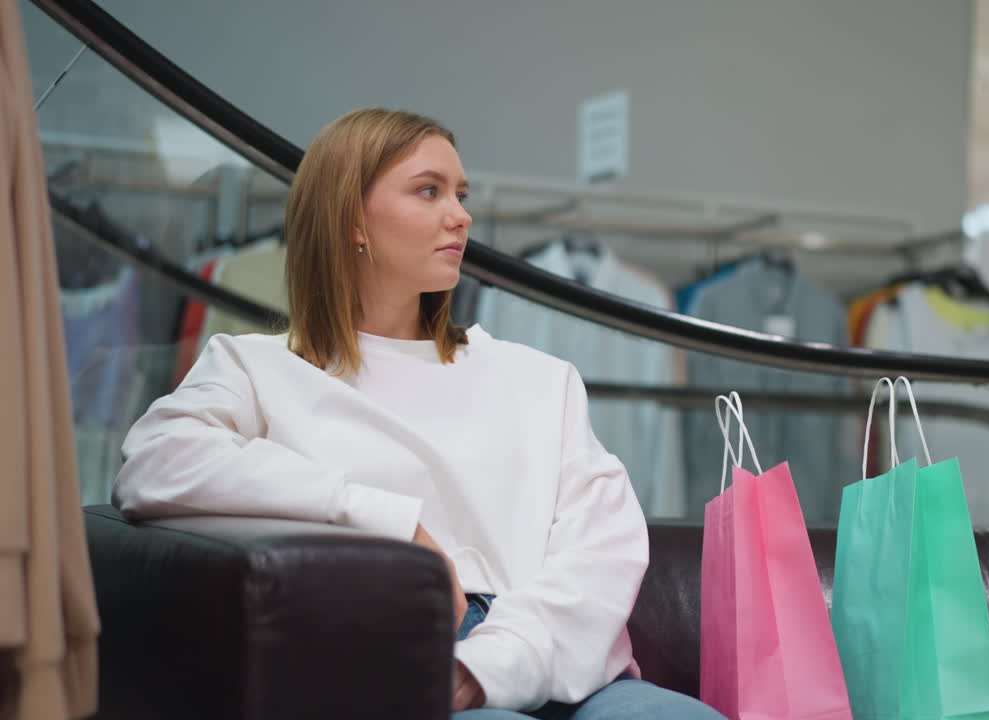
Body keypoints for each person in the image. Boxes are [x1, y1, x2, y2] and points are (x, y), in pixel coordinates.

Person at [112, 108, 725, 720]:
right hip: (395, 658)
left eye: (459, 194)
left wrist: (490, 663)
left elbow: (603, 546)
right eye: (428, 191)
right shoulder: (255, 368)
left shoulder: (539, 377)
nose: (460, 215)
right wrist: (389, 521)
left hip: (561, 661)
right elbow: (153, 464)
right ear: (351, 217)